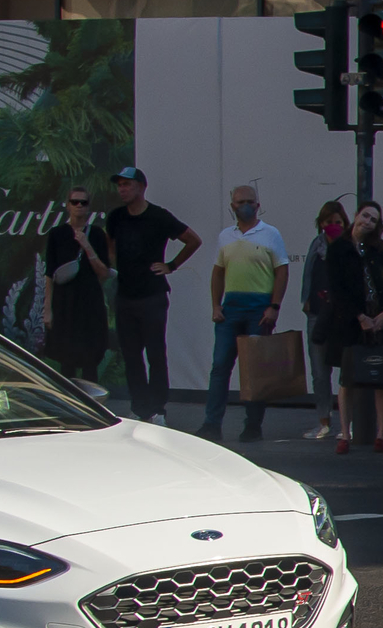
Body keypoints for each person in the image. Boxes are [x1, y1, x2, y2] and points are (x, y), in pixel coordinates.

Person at [103, 165, 200, 425]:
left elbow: (193, 240)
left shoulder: (158, 216)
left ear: (142, 187)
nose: (122, 189)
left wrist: (171, 265)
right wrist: (118, 269)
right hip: (125, 296)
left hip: (152, 296)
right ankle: (140, 407)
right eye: (120, 185)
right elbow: (110, 248)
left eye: (127, 184)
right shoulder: (115, 217)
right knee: (131, 355)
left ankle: (158, 409)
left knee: (155, 353)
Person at [198, 183, 286, 443]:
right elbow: (218, 271)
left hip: (259, 308)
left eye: (249, 201)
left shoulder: (270, 234)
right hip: (231, 307)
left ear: (258, 205)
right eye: (239, 202)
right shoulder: (226, 236)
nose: (244, 206)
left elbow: (282, 270)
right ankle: (211, 424)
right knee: (220, 367)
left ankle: (253, 426)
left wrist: (274, 306)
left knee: (254, 371)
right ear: (232, 206)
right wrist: (216, 305)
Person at [322, 200, 383, 454]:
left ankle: (381, 434)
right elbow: (336, 289)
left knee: (382, 378)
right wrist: (358, 316)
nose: (367, 222)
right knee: (347, 378)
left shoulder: (378, 248)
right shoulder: (339, 248)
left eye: (373, 219)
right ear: (355, 216)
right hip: (350, 322)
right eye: (365, 216)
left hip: (379, 320)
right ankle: (345, 433)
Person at [42, 186, 113, 385]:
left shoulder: (97, 234)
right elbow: (50, 274)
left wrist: (87, 247)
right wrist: (47, 309)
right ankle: (70, 404)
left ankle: (93, 406)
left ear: (89, 207)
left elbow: (104, 272)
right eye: (75, 202)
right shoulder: (57, 234)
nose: (79, 206)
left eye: (84, 202)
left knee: (90, 360)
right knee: (67, 360)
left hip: (90, 302)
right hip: (64, 302)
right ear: (68, 206)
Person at [299, 200, 348, 439]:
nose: (333, 226)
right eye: (328, 222)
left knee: (347, 370)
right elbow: (309, 273)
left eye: (338, 222)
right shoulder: (315, 245)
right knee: (319, 372)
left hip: (341, 316)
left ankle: (348, 423)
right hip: (317, 314)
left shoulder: (348, 245)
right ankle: (324, 422)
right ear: (321, 224)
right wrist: (306, 300)